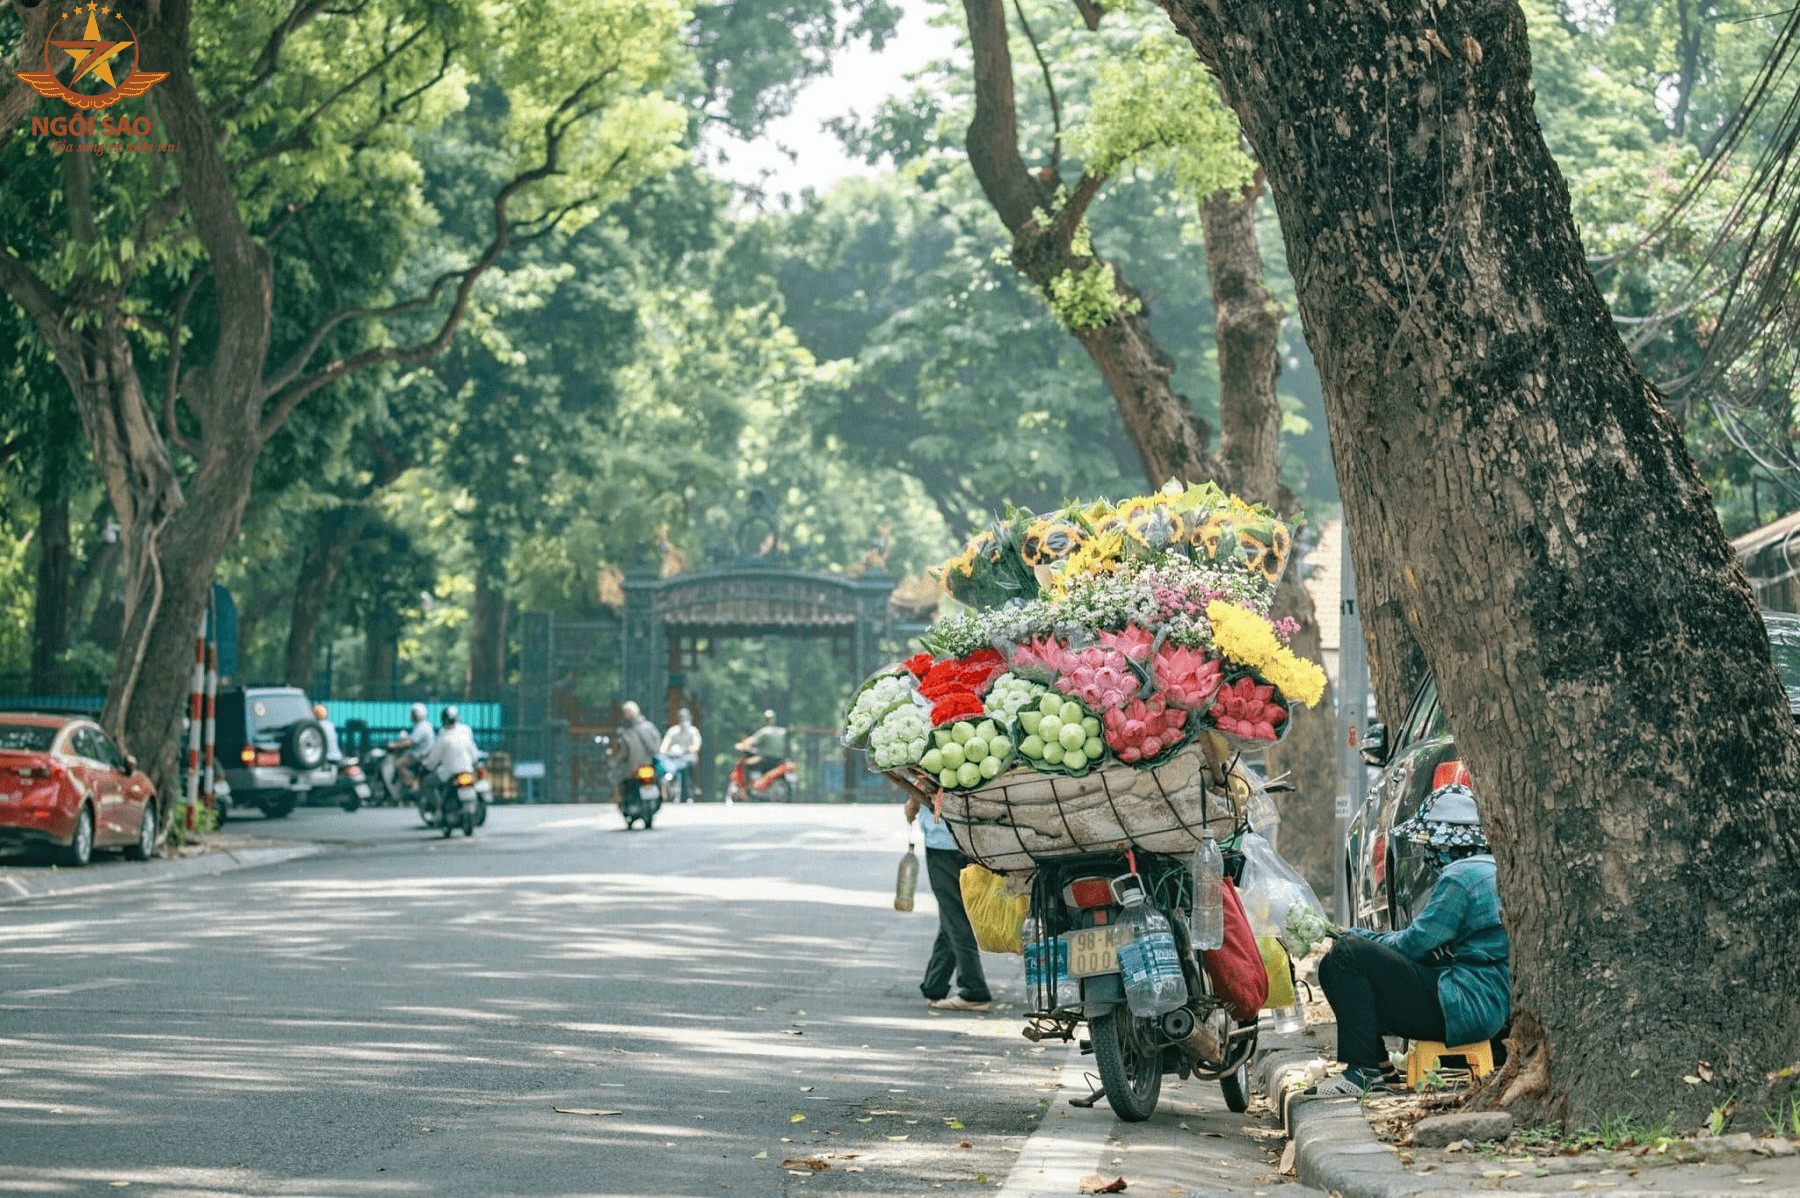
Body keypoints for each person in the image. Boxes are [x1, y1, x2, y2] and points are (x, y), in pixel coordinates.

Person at [1308, 782, 1510, 1096]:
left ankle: (1363, 1073)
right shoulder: (1493, 868)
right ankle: (1379, 1067)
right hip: (1489, 1008)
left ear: (1444, 844)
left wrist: (1356, 935)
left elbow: (1415, 944)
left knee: (1347, 955)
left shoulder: (1461, 876)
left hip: (1463, 1006)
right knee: (1333, 964)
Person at [904, 791, 992, 1012]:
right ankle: (935, 984)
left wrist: (913, 801)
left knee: (955, 914)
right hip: (975, 837)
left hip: (944, 841)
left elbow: (925, 778)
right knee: (951, 913)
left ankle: (974, 989)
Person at [418, 705, 480, 814]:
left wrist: (426, 765)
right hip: (467, 770)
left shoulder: (443, 737)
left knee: (427, 782)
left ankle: (438, 807)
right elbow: (474, 755)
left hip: (449, 772)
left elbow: (433, 760)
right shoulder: (465, 734)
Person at [381, 702, 436, 799]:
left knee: (398, 764)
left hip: (419, 756)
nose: (411, 716)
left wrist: (394, 745)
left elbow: (409, 743)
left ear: (417, 714)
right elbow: (410, 739)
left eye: (413, 713)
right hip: (422, 754)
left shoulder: (422, 727)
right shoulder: (424, 725)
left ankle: (411, 785)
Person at [614, 701, 662, 798]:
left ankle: (618, 797)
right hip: (652, 765)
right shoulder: (650, 727)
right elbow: (658, 745)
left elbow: (623, 754)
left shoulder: (627, 733)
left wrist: (617, 759)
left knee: (617, 776)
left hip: (633, 769)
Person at [658, 708, 702, 802]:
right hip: (674, 758)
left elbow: (696, 745)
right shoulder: (673, 731)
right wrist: (664, 751)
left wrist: (688, 749)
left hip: (688, 757)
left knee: (689, 768)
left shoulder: (693, 731)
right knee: (663, 767)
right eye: (681, 718)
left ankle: (691, 788)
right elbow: (664, 745)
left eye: (685, 718)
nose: (683, 720)